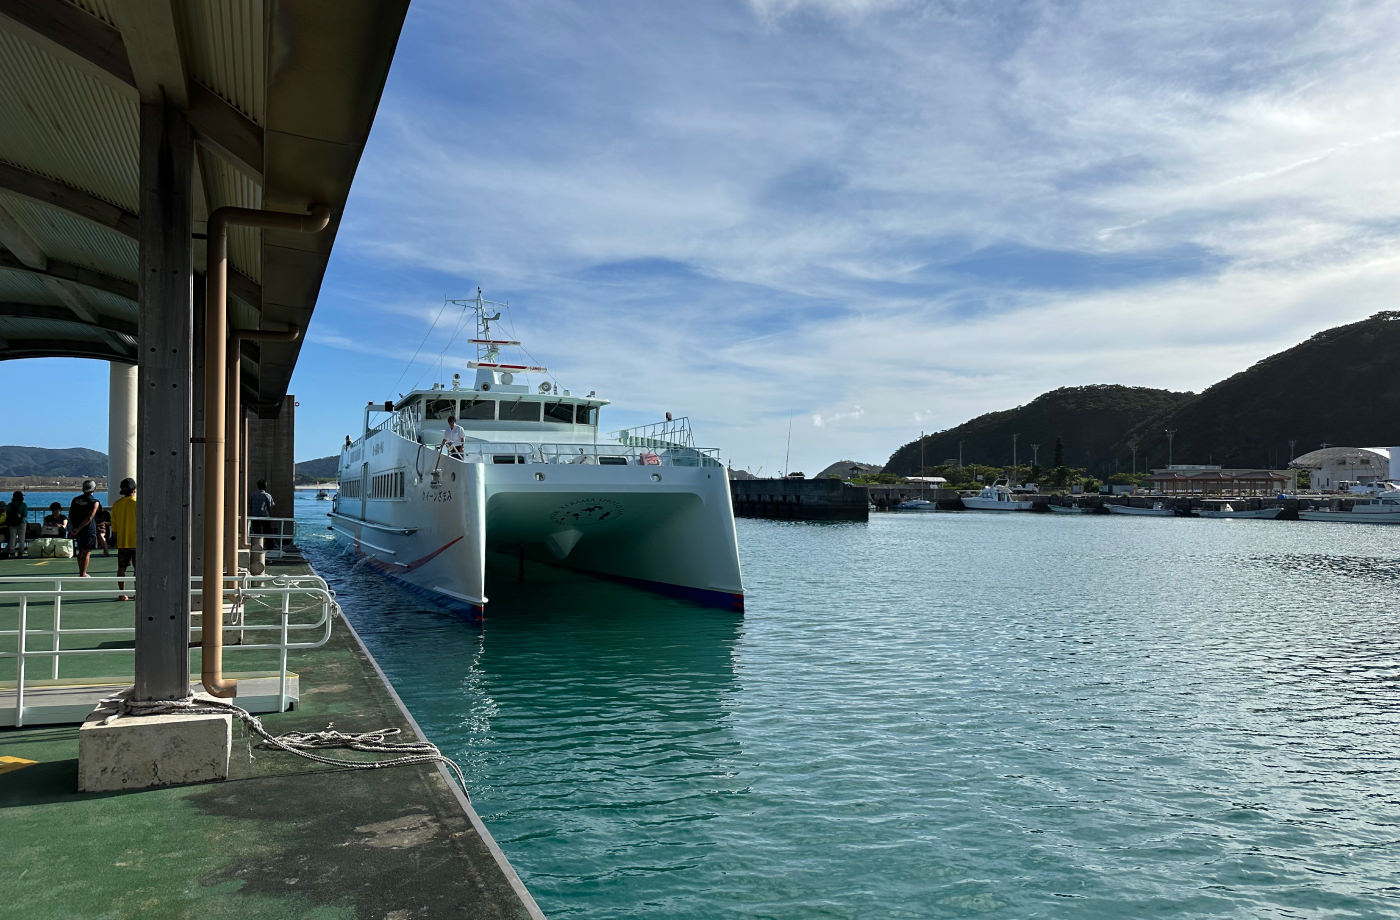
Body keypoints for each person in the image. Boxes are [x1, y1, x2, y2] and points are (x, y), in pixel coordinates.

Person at [68, 480, 101, 577]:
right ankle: (83, 573)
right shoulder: (94, 502)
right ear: (94, 489)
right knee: (87, 552)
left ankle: (80, 571)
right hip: (88, 530)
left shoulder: (75, 500)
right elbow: (90, 517)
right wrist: (79, 528)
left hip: (77, 529)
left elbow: (70, 514)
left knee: (81, 550)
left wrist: (73, 528)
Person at [111, 478, 137, 601]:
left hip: (123, 543)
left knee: (121, 569)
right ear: (134, 489)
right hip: (137, 542)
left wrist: (116, 540)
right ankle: (138, 592)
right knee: (138, 570)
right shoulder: (138, 503)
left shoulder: (117, 504)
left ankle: (122, 593)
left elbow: (114, 526)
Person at [250, 479, 276, 549]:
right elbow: (270, 507)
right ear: (265, 486)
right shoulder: (267, 495)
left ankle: (257, 546)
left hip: (254, 516)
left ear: (258, 486)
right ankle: (270, 546)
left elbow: (250, 506)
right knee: (268, 532)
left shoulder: (253, 495)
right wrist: (271, 517)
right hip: (265, 517)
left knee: (256, 532)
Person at [5, 491, 27, 559]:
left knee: (12, 537)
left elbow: (7, 514)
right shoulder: (23, 505)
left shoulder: (9, 505)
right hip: (22, 522)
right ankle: (20, 552)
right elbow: (25, 514)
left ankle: (12, 552)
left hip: (12, 523)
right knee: (21, 538)